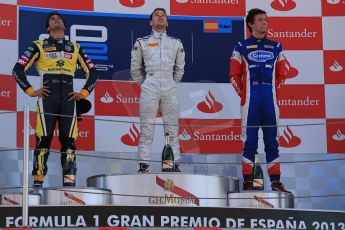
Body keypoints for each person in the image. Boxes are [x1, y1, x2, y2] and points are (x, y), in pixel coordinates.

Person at [12, 12, 98, 187]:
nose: (56, 19)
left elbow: (93, 72)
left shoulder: (75, 47)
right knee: (43, 139)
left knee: (69, 141)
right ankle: (37, 182)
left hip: (69, 99)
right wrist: (30, 90)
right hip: (47, 98)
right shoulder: (38, 45)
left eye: (59, 18)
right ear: (47, 28)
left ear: (64, 26)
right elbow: (17, 69)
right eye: (52, 18)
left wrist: (84, 93)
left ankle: (69, 182)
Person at [229, 8, 291, 194]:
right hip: (250, 101)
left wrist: (273, 91)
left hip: (270, 101)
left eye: (266, 20)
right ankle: (249, 180)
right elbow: (233, 76)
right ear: (251, 24)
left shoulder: (276, 46)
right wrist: (244, 96)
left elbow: (282, 74)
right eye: (261, 20)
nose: (265, 23)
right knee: (250, 142)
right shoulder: (240, 46)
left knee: (272, 142)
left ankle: (276, 182)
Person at [130, 8, 185, 173]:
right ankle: (144, 164)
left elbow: (180, 69)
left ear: (167, 22)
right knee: (146, 127)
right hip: (150, 84)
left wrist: (170, 81)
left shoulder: (176, 43)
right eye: (157, 15)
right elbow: (135, 70)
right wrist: (147, 83)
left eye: (163, 16)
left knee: (172, 127)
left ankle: (174, 163)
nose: (160, 17)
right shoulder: (142, 42)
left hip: (169, 84)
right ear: (150, 22)